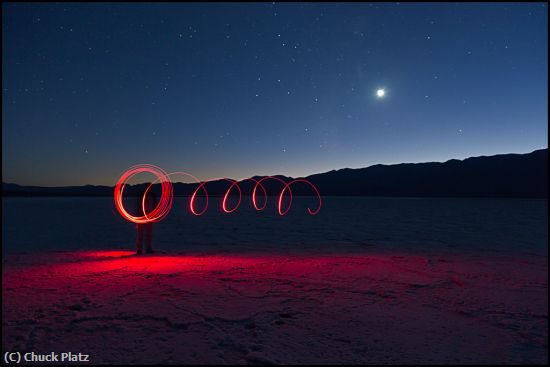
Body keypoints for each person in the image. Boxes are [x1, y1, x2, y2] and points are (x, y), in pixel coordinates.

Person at [135, 189, 157, 255]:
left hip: (149, 217)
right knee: (141, 233)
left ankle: (147, 249)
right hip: (142, 217)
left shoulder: (152, 196)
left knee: (147, 233)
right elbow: (138, 205)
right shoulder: (142, 195)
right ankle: (140, 250)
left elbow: (155, 206)